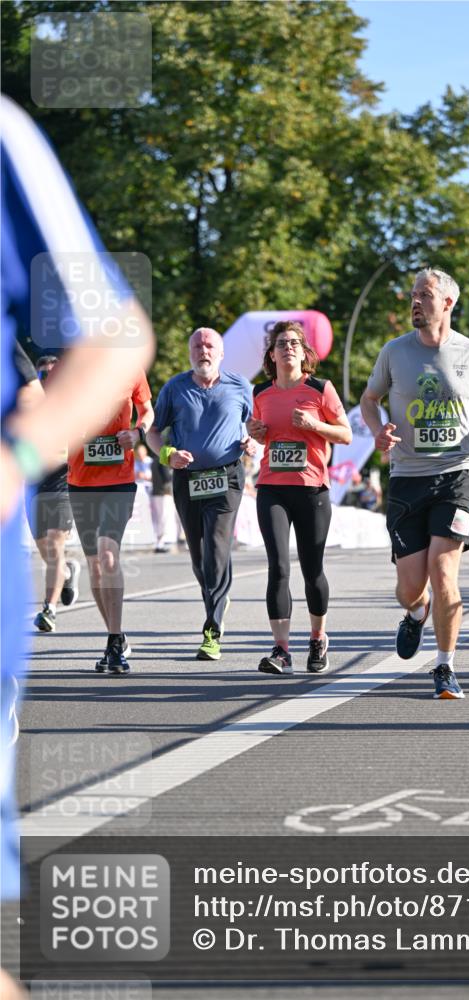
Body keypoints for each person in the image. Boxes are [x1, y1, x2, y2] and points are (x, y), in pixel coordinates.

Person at [1, 95, 154, 998]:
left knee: (92, 558)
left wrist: (21, 451)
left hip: (87, 481)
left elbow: (115, 335)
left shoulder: (4, 141)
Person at [360, 267, 469, 700]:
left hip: (458, 475)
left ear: (448, 303)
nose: (415, 301)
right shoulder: (395, 351)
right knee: (410, 586)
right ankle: (417, 612)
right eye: (413, 294)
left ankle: (444, 666)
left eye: (425, 294)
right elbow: (370, 400)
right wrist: (379, 429)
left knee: (444, 569)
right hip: (407, 477)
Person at [247, 320, 352, 675]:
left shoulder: (321, 389)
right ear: (271, 354)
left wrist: (315, 426)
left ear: (305, 353)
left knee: (312, 570)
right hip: (272, 487)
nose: (288, 347)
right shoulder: (260, 393)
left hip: (311, 489)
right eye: (281, 343)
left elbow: (346, 435)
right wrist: (255, 431)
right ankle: (281, 649)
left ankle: (317, 638)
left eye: (294, 342)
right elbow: (262, 433)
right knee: (277, 567)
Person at [146, 327, 252, 661]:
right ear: (189, 352)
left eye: (209, 346)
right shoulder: (175, 388)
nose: (203, 350)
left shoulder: (240, 387)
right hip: (187, 479)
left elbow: (258, 426)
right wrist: (167, 456)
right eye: (197, 345)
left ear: (221, 353)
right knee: (199, 557)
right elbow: (152, 432)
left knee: (217, 548)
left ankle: (212, 631)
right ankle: (218, 594)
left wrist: (255, 442)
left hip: (227, 477)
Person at [68, 372, 153, 674]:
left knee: (107, 554)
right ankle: (114, 635)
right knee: (94, 564)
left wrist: (138, 433)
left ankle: (114, 642)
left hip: (119, 480)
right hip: (80, 481)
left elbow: (146, 410)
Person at [26, 355, 81, 632]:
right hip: (33, 485)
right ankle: (68, 572)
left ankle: (49, 609)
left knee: (54, 544)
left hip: (62, 483)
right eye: (43, 376)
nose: (48, 380)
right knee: (45, 550)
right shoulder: (27, 408)